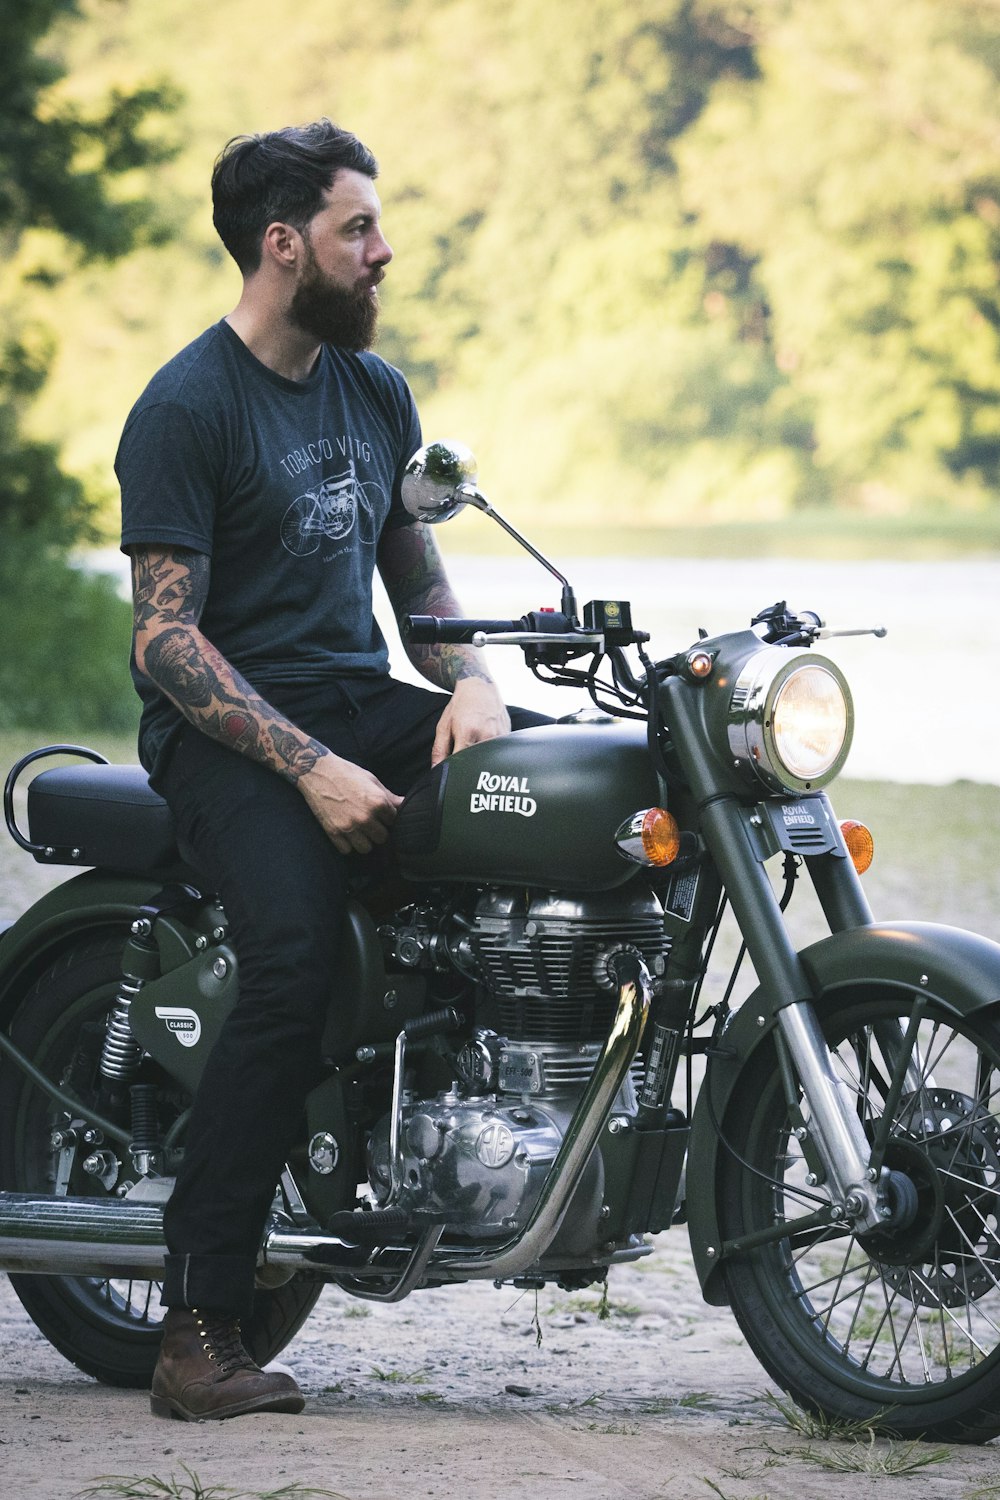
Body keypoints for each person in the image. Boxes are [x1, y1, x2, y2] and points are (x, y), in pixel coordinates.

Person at [117, 119, 545, 1422]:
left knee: (548, 798)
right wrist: (310, 771)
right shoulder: (187, 407)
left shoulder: (377, 394)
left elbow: (419, 591)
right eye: (361, 230)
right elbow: (164, 640)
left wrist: (472, 683)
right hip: (227, 734)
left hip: (355, 700)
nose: (385, 250)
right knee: (295, 954)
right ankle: (198, 1323)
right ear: (282, 245)